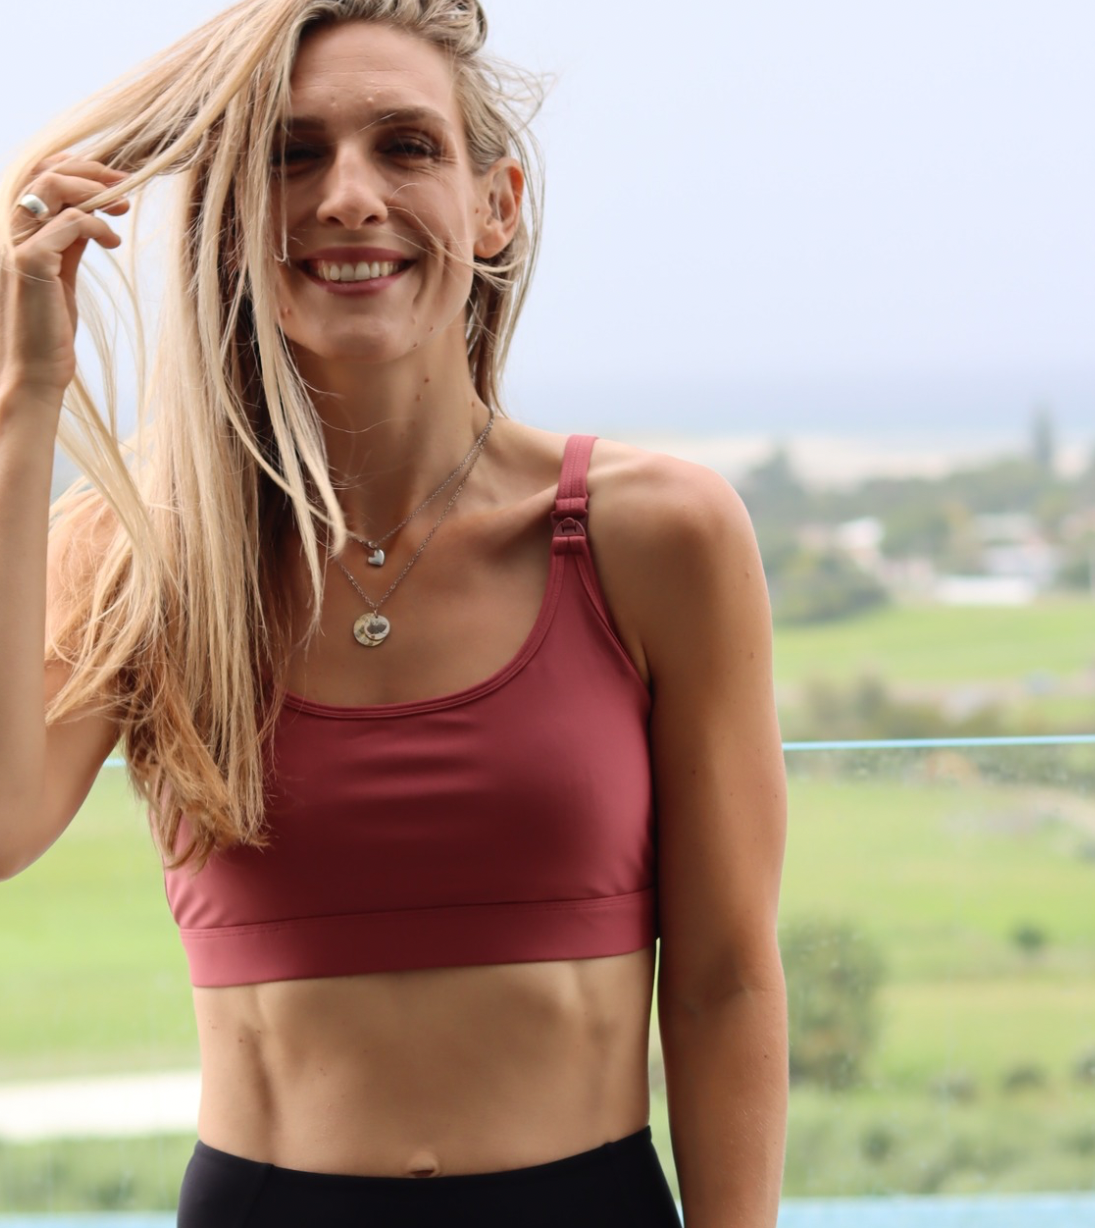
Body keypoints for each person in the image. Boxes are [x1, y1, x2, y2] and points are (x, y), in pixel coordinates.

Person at [0, 1, 788, 1223]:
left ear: (494, 204)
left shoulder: (652, 534)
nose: (349, 197)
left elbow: (725, 980)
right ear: (224, 225)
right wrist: (28, 396)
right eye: (290, 155)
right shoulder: (142, 552)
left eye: (406, 146)